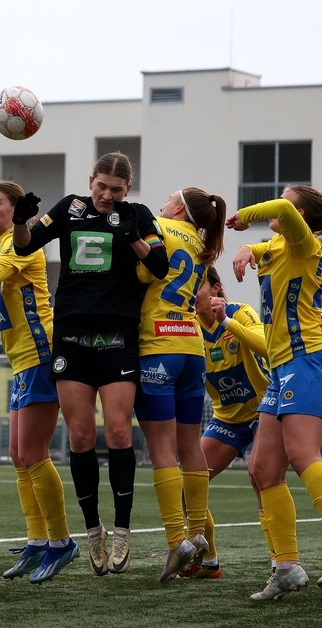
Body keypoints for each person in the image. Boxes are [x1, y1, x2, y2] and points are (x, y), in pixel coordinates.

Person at [12, 152, 169, 577]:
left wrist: (135, 234)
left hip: (118, 337)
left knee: (118, 431)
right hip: (71, 336)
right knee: (80, 436)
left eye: (115, 190)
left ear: (127, 190)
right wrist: (22, 221)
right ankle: (92, 529)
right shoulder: (70, 207)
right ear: (91, 181)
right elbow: (24, 245)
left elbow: (159, 266)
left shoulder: (138, 214)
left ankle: (122, 527)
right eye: (101, 186)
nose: (106, 195)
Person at [229, 184, 322, 600]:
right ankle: (286, 566)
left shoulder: (304, 242)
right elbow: (266, 246)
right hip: (285, 369)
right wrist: (247, 251)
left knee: (303, 454)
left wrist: (244, 216)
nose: (279, 205)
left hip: (310, 362)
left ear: (301, 216)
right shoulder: (276, 243)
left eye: (287, 201)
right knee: (261, 471)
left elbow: (280, 214)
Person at [0, 181, 79, 584]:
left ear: (13, 208)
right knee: (17, 454)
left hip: (42, 354)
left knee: (34, 452)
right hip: (21, 362)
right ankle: (37, 540)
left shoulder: (18, 245)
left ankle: (62, 543)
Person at [134, 188, 226, 582]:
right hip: (192, 347)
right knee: (190, 447)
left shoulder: (160, 227)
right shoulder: (202, 244)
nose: (161, 205)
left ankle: (177, 541)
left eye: (168, 199)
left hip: (158, 345)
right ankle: (198, 535)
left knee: (161, 450)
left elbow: (143, 272)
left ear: (178, 209)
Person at [184, 265, 272, 579]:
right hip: (228, 421)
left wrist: (227, 322)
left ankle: (283, 563)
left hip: (265, 411)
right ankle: (209, 562)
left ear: (217, 289)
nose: (192, 293)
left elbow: (267, 346)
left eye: (198, 286)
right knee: (188, 485)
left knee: (260, 476)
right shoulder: (189, 327)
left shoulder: (241, 313)